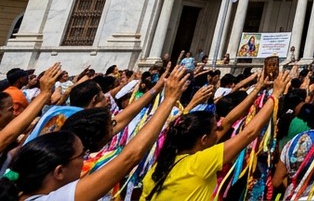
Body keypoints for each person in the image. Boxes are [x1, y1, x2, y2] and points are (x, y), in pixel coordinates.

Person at [0, 68, 189, 201]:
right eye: (82, 155)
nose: (86, 160)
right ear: (59, 171)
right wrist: (169, 99)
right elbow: (129, 157)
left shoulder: (54, 112)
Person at [144, 70, 291, 201]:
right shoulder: (201, 163)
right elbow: (249, 133)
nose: (219, 130)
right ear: (203, 139)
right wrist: (275, 95)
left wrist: (257, 89)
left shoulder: (158, 167)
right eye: (215, 130)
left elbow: (228, 122)